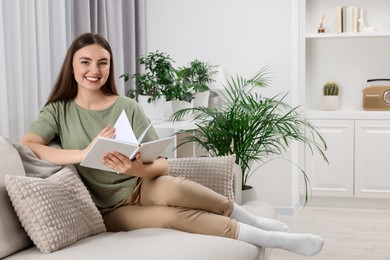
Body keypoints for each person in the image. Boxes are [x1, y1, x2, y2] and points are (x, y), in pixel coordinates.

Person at [21, 32, 324, 256]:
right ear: (71, 67)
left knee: (176, 186)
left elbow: (162, 164)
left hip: (140, 184)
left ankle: (252, 219)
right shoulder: (58, 110)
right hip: (109, 209)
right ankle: (272, 239)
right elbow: (30, 144)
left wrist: (135, 167)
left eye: (103, 63)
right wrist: (85, 153)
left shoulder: (126, 106)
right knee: (171, 217)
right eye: (85, 62)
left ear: (110, 67)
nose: (94, 70)